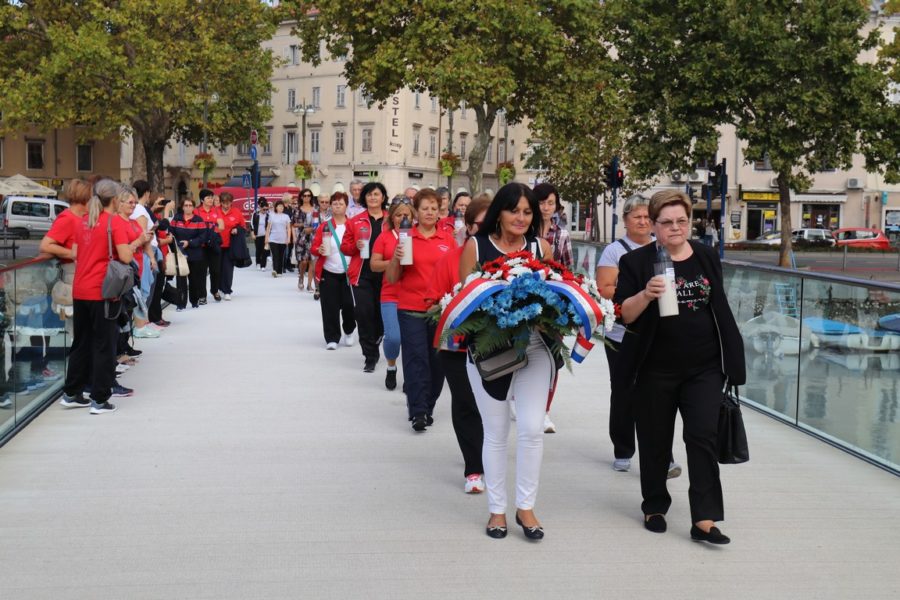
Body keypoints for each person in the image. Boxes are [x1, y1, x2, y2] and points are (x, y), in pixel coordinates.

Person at [614, 190, 745, 544]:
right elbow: (624, 314)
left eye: (682, 221)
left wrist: (733, 358)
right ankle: (654, 505)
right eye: (667, 222)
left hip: (703, 367)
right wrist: (646, 294)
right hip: (654, 368)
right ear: (653, 225)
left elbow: (718, 306)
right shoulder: (637, 263)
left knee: (702, 436)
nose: (676, 228)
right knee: (655, 440)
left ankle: (704, 517)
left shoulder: (704, 255)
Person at [458, 182, 553, 541]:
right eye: (515, 210)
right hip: (490, 350)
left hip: (534, 347)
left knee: (531, 429)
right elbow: (462, 302)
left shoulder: (539, 247)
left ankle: (525, 507)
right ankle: (497, 511)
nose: (522, 218)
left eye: (528, 212)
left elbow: (557, 292)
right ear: (499, 211)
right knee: (496, 433)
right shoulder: (476, 246)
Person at [596, 194, 681, 479]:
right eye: (637, 217)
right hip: (622, 334)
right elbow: (606, 288)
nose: (643, 222)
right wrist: (635, 290)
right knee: (623, 390)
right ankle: (623, 448)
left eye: (648, 217)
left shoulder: (666, 247)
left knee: (658, 393)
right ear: (626, 221)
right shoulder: (615, 251)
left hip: (659, 333)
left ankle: (663, 455)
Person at [427, 194, 491, 493]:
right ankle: (473, 468)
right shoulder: (450, 259)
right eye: (483, 223)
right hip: (457, 344)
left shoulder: (510, 258)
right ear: (468, 226)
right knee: (465, 402)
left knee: (491, 405)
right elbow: (434, 301)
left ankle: (489, 454)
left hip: (496, 345)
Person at [58, 179, 134, 414]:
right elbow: (126, 256)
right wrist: (134, 245)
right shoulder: (114, 223)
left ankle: (72, 393)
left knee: (81, 343)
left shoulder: (83, 222)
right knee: (104, 346)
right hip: (103, 292)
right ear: (114, 199)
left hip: (80, 290)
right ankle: (100, 398)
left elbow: (77, 254)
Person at [386, 188, 456, 432]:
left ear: (440, 212)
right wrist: (395, 257)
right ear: (416, 211)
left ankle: (428, 405)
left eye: (434, 209)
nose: (429, 212)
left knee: (437, 363)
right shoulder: (406, 237)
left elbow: (455, 277)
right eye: (424, 208)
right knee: (416, 360)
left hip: (439, 309)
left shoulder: (448, 240)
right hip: (409, 307)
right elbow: (393, 278)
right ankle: (417, 411)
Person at [533, 183, 573, 434]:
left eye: (551, 203)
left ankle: (544, 410)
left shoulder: (562, 235)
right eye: (542, 202)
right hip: (523, 300)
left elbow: (568, 270)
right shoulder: (524, 232)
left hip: (553, 304)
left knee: (553, 358)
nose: (547, 208)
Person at [341, 181, 387, 372]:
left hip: (386, 274)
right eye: (369, 195)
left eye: (376, 194)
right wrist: (355, 247)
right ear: (363, 198)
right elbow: (345, 246)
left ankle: (377, 337)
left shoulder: (392, 220)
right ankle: (370, 355)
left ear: (383, 197)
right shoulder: (355, 221)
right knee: (363, 313)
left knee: (381, 316)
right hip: (362, 274)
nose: (373, 198)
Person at [370, 197, 415, 391]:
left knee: (412, 340)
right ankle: (391, 366)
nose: (402, 218)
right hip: (390, 294)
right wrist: (395, 261)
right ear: (392, 217)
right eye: (398, 215)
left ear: (413, 217)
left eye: (406, 215)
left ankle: (410, 376)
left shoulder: (417, 236)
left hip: (413, 294)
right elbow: (373, 265)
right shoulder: (385, 237)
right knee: (394, 337)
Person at [311, 193, 356, 349]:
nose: (337, 206)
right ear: (330, 206)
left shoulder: (353, 225)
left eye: (340, 203)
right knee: (330, 306)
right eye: (334, 203)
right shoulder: (325, 226)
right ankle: (332, 337)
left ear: (346, 206)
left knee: (349, 305)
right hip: (328, 272)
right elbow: (314, 247)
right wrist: (319, 249)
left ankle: (349, 330)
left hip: (349, 273)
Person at [170, 198, 209, 309]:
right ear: (182, 207)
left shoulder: (199, 220)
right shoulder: (176, 219)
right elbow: (171, 234)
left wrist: (190, 243)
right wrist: (178, 244)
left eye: (190, 205)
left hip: (195, 254)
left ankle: (194, 301)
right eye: (185, 205)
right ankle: (180, 303)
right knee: (180, 280)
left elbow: (203, 237)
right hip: (179, 254)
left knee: (194, 279)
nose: (188, 207)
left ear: (193, 207)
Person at [195, 189, 224, 303]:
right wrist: (212, 227)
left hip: (214, 244)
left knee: (216, 270)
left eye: (212, 198)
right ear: (202, 200)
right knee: (201, 271)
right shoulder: (197, 211)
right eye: (208, 198)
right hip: (201, 245)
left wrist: (207, 229)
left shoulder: (216, 210)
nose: (211, 200)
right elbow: (196, 226)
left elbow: (221, 226)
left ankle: (215, 290)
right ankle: (202, 296)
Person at [218, 192, 246, 301]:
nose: (226, 205)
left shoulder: (236, 212)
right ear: (220, 202)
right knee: (217, 269)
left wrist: (237, 229)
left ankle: (227, 290)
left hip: (230, 245)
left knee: (228, 269)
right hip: (217, 245)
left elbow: (243, 227)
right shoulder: (216, 211)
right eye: (224, 203)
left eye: (228, 203)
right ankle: (219, 287)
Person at [293, 188, 318, 292]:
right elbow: (293, 223)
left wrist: (312, 228)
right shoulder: (297, 209)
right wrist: (304, 225)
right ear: (301, 197)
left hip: (314, 237)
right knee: (303, 261)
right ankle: (301, 276)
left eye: (309, 195)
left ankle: (309, 285)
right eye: (305, 195)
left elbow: (319, 222)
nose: (307, 197)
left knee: (313, 262)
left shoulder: (315, 209)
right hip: (302, 238)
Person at [265, 200, 292, 277]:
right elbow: (268, 228)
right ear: (276, 207)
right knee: (275, 255)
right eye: (279, 206)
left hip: (283, 239)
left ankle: (280, 271)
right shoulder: (272, 216)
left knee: (281, 255)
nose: (281, 208)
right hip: (273, 239)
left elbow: (288, 228)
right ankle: (275, 270)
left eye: (282, 206)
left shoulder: (286, 216)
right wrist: (266, 238)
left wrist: (289, 238)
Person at [251, 199, 270, 270]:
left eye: (266, 209)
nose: (265, 211)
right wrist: (253, 234)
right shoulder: (255, 214)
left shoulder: (268, 215)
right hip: (257, 235)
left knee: (265, 250)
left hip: (265, 235)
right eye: (264, 209)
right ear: (260, 208)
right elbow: (252, 224)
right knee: (258, 250)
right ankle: (258, 263)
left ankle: (263, 265)